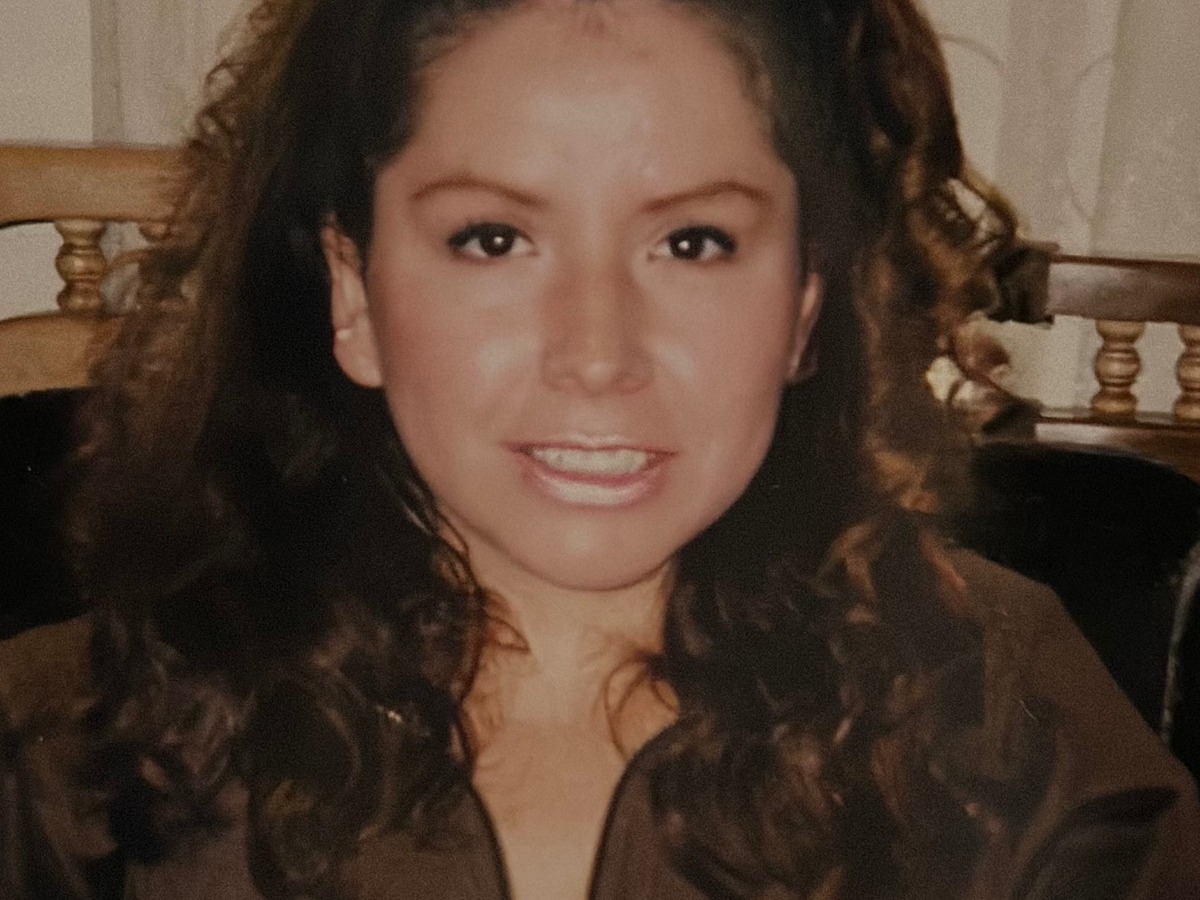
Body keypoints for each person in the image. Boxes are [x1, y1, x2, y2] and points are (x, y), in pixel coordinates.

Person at [2, 0, 1198, 898]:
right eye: (491, 238)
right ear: (352, 293)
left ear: (806, 307)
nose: (596, 354)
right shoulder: (66, 757)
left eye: (693, 243)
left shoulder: (1010, 728)